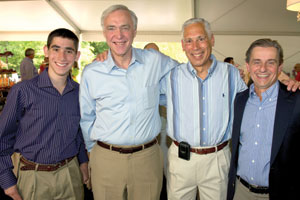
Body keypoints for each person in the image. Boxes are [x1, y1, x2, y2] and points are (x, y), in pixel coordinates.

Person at [79, 4, 179, 200]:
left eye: (125, 27)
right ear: (104, 33)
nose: (119, 34)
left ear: (134, 31)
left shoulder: (154, 61)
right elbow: (86, 117)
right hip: (105, 159)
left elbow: (184, 77)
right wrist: (93, 153)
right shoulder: (92, 72)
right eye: (111, 28)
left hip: (147, 158)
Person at [159, 18, 247, 200]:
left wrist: (284, 85)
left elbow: (253, 103)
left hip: (218, 159)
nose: (195, 46)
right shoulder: (171, 77)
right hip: (180, 159)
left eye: (201, 38)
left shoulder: (231, 75)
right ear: (183, 45)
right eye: (189, 41)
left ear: (212, 40)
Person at [0, 28, 89, 200]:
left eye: (68, 51)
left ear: (76, 56)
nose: (62, 57)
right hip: (32, 176)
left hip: (70, 174)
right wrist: (7, 181)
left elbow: (78, 132)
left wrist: (83, 162)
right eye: (56, 49)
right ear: (46, 51)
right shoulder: (23, 91)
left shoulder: (81, 93)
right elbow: (2, 137)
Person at [227, 38, 300, 200]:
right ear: (248, 66)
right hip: (241, 191)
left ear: (280, 67)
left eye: (271, 62)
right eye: (257, 62)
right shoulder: (239, 100)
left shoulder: (295, 101)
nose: (263, 69)